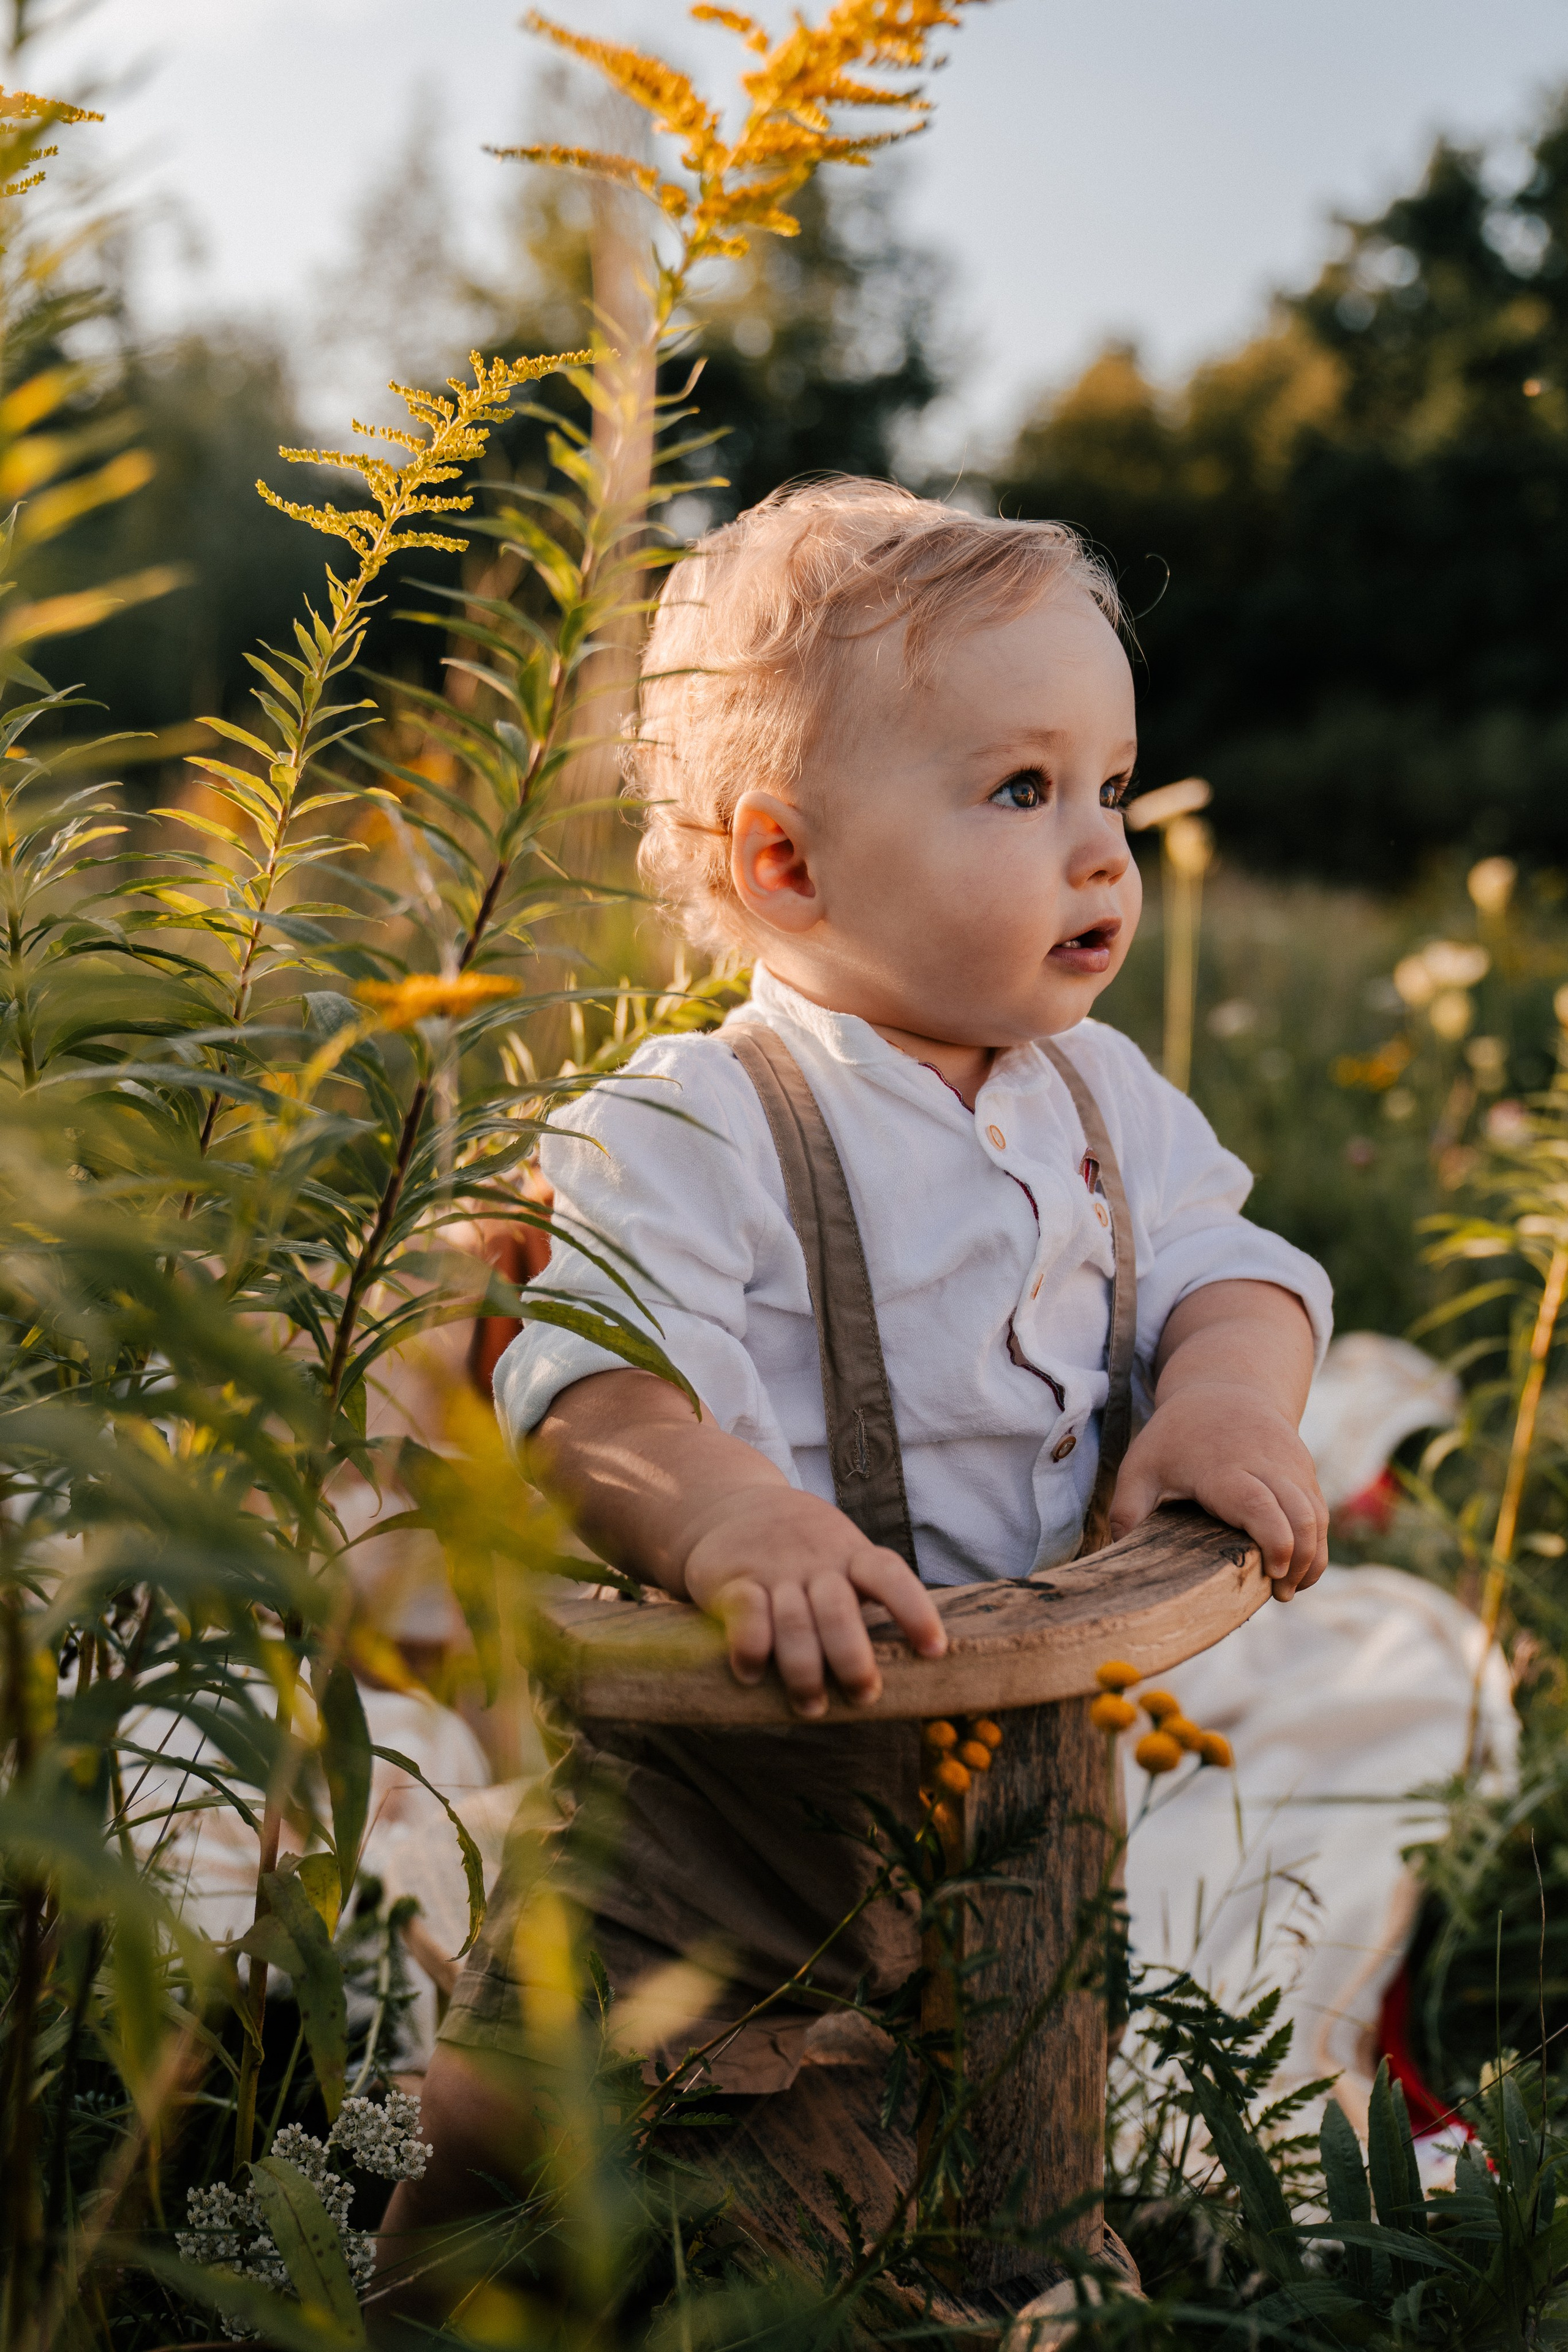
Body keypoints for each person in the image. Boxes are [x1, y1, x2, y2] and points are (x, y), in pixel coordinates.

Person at [376, 480, 1333, 2280]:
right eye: (1021, 790)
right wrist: (735, 1519)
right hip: (737, 1774)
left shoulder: (1107, 1097)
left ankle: (1000, 2272)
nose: (1103, 849)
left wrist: (1224, 1393)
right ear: (786, 864)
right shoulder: (696, 1121)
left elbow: (1240, 1268)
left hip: (1026, 1735)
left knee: (1012, 2085)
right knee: (588, 2133)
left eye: (1111, 788)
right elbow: (588, 1387)